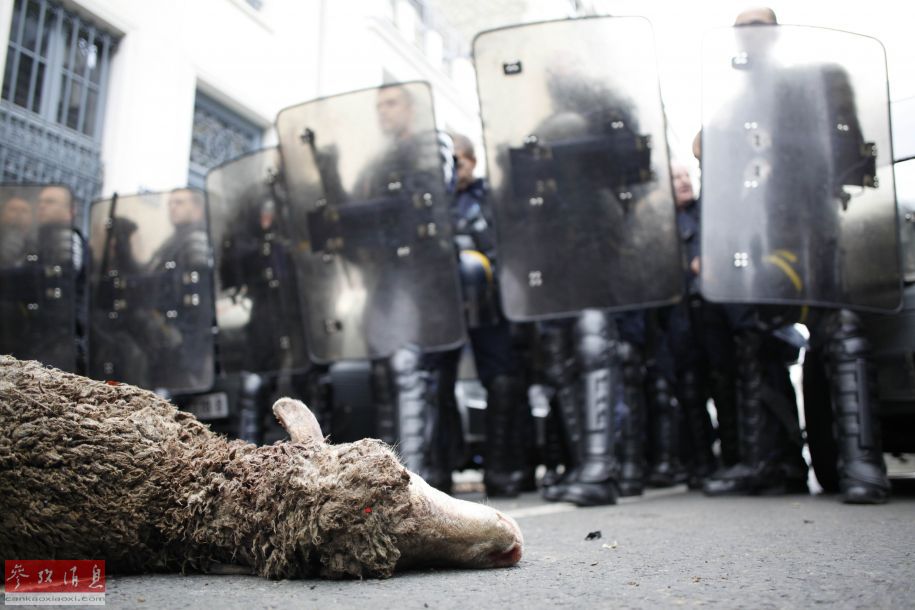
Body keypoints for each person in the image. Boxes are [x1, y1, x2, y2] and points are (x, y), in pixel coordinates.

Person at [439, 133, 529, 497]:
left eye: (457, 161)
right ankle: (441, 468)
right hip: (443, 303)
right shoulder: (435, 200)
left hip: (490, 299)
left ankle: (501, 468)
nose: (451, 169)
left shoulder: (492, 197)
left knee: (503, 381)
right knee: (438, 384)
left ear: (472, 162)